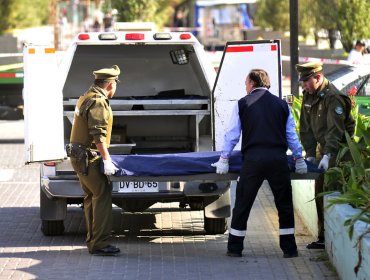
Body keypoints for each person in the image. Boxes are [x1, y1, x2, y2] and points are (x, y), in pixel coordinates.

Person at [211, 69, 307, 258]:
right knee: (284, 205)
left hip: (253, 160)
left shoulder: (243, 104)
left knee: (243, 204)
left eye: (246, 83)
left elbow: (232, 134)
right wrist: (299, 157)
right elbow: (291, 135)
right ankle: (290, 249)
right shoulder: (281, 105)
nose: (245, 87)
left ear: (253, 83)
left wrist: (224, 158)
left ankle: (235, 248)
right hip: (277, 160)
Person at [296, 62, 355, 249]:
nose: (303, 85)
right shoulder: (309, 95)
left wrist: (328, 156)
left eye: (306, 81)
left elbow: (335, 132)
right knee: (320, 192)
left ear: (318, 77)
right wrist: (311, 154)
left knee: (335, 191)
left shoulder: (333, 98)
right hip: (324, 151)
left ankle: (337, 241)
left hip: (340, 153)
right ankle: (322, 237)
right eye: (302, 82)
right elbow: (305, 128)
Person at [68, 65, 121, 256]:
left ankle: (93, 240)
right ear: (110, 84)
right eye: (115, 84)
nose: (115, 88)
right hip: (89, 158)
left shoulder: (86, 96)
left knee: (91, 198)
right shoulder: (98, 101)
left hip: (79, 156)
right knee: (102, 196)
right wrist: (106, 159)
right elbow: (98, 134)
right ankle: (99, 243)